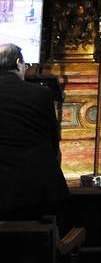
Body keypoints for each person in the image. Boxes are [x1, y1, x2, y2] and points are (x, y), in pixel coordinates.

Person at [0, 43, 69, 222]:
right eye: (26, 65)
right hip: (39, 191)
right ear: (18, 63)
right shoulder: (41, 94)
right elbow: (54, 142)